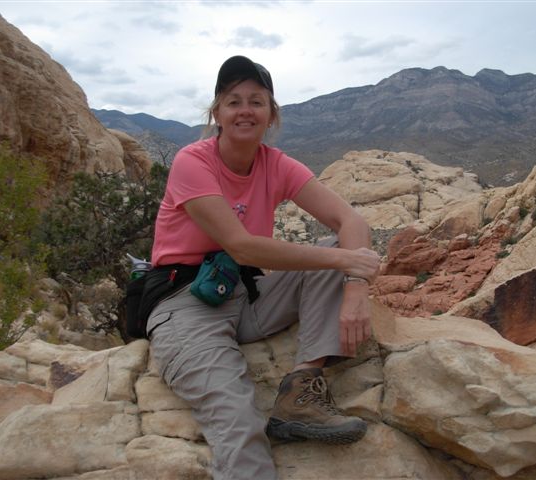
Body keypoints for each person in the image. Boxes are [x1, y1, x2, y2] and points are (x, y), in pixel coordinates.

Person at [146, 55, 381, 480]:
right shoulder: (192, 162)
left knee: (333, 247)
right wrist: (346, 260)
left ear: (272, 114)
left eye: (257, 101)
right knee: (238, 419)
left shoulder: (276, 163)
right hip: (184, 304)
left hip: (245, 297)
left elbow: (353, 222)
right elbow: (241, 246)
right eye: (234, 101)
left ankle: (300, 396)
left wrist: (356, 286)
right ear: (216, 112)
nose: (245, 110)